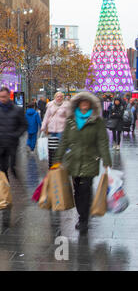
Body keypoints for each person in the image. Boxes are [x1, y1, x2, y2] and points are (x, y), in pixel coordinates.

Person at [54, 92, 112, 234]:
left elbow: (102, 141)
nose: (84, 104)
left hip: (90, 159)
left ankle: (84, 219)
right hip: (74, 160)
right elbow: (64, 141)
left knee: (85, 188)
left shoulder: (97, 121)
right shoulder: (71, 121)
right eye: (82, 101)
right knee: (77, 190)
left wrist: (106, 160)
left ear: (91, 104)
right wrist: (58, 159)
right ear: (77, 104)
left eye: (87, 101)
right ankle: (82, 213)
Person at [0, 87, 28, 179]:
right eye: (1, 97)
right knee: (3, 167)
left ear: (9, 96)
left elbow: (24, 125)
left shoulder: (17, 110)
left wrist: (16, 134)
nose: (2, 99)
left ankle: (14, 171)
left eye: (4, 97)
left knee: (12, 164)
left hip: (13, 142)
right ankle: (6, 184)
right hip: (1, 142)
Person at [41, 92, 70, 168]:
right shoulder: (50, 105)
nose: (59, 98)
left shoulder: (66, 106)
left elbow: (68, 117)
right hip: (51, 129)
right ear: (55, 97)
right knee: (52, 148)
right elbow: (46, 117)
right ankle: (52, 164)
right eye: (58, 96)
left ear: (63, 98)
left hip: (61, 129)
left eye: (61, 97)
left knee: (60, 147)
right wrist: (43, 127)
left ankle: (59, 162)